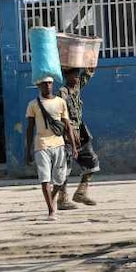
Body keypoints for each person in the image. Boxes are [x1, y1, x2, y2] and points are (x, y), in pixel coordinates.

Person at [25, 75, 78, 220]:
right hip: (41, 145)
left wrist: (73, 146)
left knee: (60, 179)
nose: (48, 86)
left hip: (59, 144)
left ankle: (52, 198)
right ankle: (51, 211)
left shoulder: (60, 102)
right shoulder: (33, 104)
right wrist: (27, 150)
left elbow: (67, 125)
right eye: (44, 84)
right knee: (45, 179)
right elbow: (30, 128)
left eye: (49, 83)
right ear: (39, 86)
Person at [59, 67, 98, 205]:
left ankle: (81, 192)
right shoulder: (62, 93)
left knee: (92, 162)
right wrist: (69, 132)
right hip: (67, 134)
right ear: (67, 77)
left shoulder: (76, 88)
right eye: (75, 76)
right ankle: (62, 198)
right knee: (65, 167)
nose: (77, 78)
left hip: (80, 132)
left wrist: (90, 67)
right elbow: (61, 115)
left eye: (77, 76)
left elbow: (85, 77)